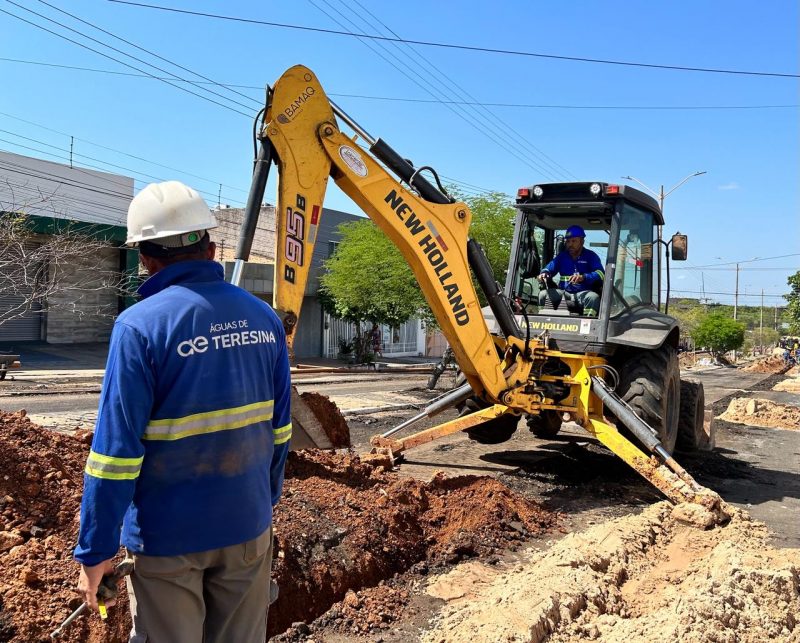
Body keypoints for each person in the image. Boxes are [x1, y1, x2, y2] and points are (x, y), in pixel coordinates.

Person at [74, 181, 292, 642]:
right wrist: (262, 505)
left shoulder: (138, 327)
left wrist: (95, 552)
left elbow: (115, 455)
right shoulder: (265, 319)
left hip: (166, 539)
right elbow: (280, 431)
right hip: (247, 527)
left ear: (145, 258)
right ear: (211, 248)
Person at [537, 225, 605, 317]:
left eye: (574, 241)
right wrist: (544, 274)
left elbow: (601, 274)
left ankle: (587, 325)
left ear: (582, 241)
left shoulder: (591, 256)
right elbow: (548, 269)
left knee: (593, 298)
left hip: (584, 294)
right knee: (543, 295)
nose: (570, 244)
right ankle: (541, 321)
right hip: (564, 293)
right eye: (568, 241)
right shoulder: (562, 257)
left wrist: (583, 277)